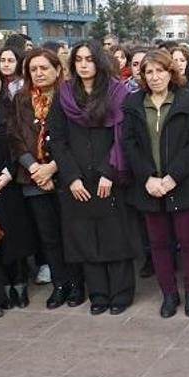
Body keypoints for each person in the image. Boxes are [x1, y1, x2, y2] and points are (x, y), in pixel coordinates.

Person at [48, 40, 140, 316]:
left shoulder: (117, 92)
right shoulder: (64, 94)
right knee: (85, 237)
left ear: (99, 61)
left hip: (110, 175)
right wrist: (72, 177)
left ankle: (121, 293)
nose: (84, 64)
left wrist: (108, 172)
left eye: (89, 59)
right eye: (79, 60)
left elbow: (124, 135)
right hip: (77, 178)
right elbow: (58, 140)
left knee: (115, 236)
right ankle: (98, 293)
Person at [122, 50, 189, 318]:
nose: (155, 77)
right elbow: (129, 144)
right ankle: (169, 294)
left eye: (160, 71)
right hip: (149, 186)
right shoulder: (133, 103)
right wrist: (148, 177)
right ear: (143, 76)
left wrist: (172, 177)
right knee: (158, 243)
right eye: (149, 72)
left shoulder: (187, 100)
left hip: (183, 183)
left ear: (171, 72)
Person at [8, 48, 85, 309]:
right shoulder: (20, 99)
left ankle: (76, 284)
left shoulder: (70, 96)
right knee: (48, 236)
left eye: (44, 68)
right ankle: (59, 284)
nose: (38, 73)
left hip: (64, 175)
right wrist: (35, 169)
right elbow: (16, 138)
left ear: (57, 70)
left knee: (69, 233)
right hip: (33, 178)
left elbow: (76, 139)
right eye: (33, 69)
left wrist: (52, 168)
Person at [0, 63, 36, 318]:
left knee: (14, 232)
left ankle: (20, 283)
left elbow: (20, 144)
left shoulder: (12, 110)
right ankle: (2, 286)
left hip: (10, 181)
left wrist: (8, 174)